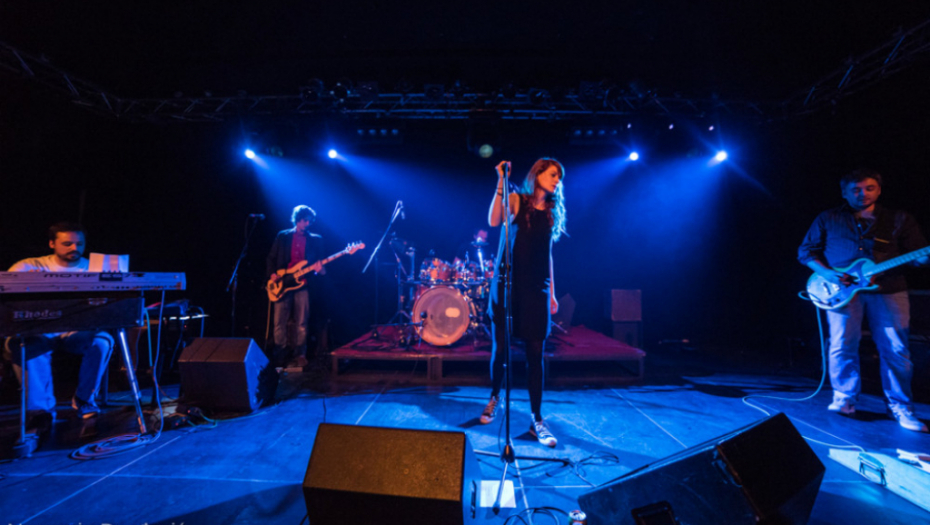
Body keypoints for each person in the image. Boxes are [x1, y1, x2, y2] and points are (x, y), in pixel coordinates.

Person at [798, 168, 929, 432]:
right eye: (856, 190)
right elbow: (806, 252)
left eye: (869, 188)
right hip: (841, 291)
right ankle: (844, 398)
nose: (863, 194)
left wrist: (923, 258)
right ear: (844, 193)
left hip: (889, 289)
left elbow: (918, 255)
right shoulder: (828, 218)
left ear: (879, 190)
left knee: (896, 348)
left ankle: (900, 407)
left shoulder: (899, 219)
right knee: (842, 344)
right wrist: (829, 274)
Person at [478, 158, 566, 447]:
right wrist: (501, 181)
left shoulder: (551, 212)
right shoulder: (516, 199)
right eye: (553, 174)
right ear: (538, 174)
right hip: (507, 285)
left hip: (537, 289)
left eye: (559, 177)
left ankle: (536, 420)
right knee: (501, 348)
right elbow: (493, 220)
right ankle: (494, 398)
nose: (557, 180)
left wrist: (552, 292)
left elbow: (548, 253)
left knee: (535, 355)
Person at [3, 222, 115, 423]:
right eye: (67, 244)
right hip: (38, 330)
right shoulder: (29, 266)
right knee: (22, 344)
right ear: (52, 244)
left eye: (79, 244)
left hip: (76, 331)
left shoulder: (95, 268)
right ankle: (40, 411)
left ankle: (84, 400)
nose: (74, 248)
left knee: (102, 342)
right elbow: (7, 294)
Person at [266, 205, 324, 369]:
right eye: (305, 220)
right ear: (297, 219)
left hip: (303, 284)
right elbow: (271, 258)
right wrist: (272, 275)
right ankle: (280, 353)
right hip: (282, 283)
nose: (307, 224)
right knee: (279, 321)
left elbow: (321, 267)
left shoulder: (316, 239)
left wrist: (320, 269)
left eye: (310, 221)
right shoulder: (283, 236)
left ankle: (300, 354)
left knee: (302, 322)